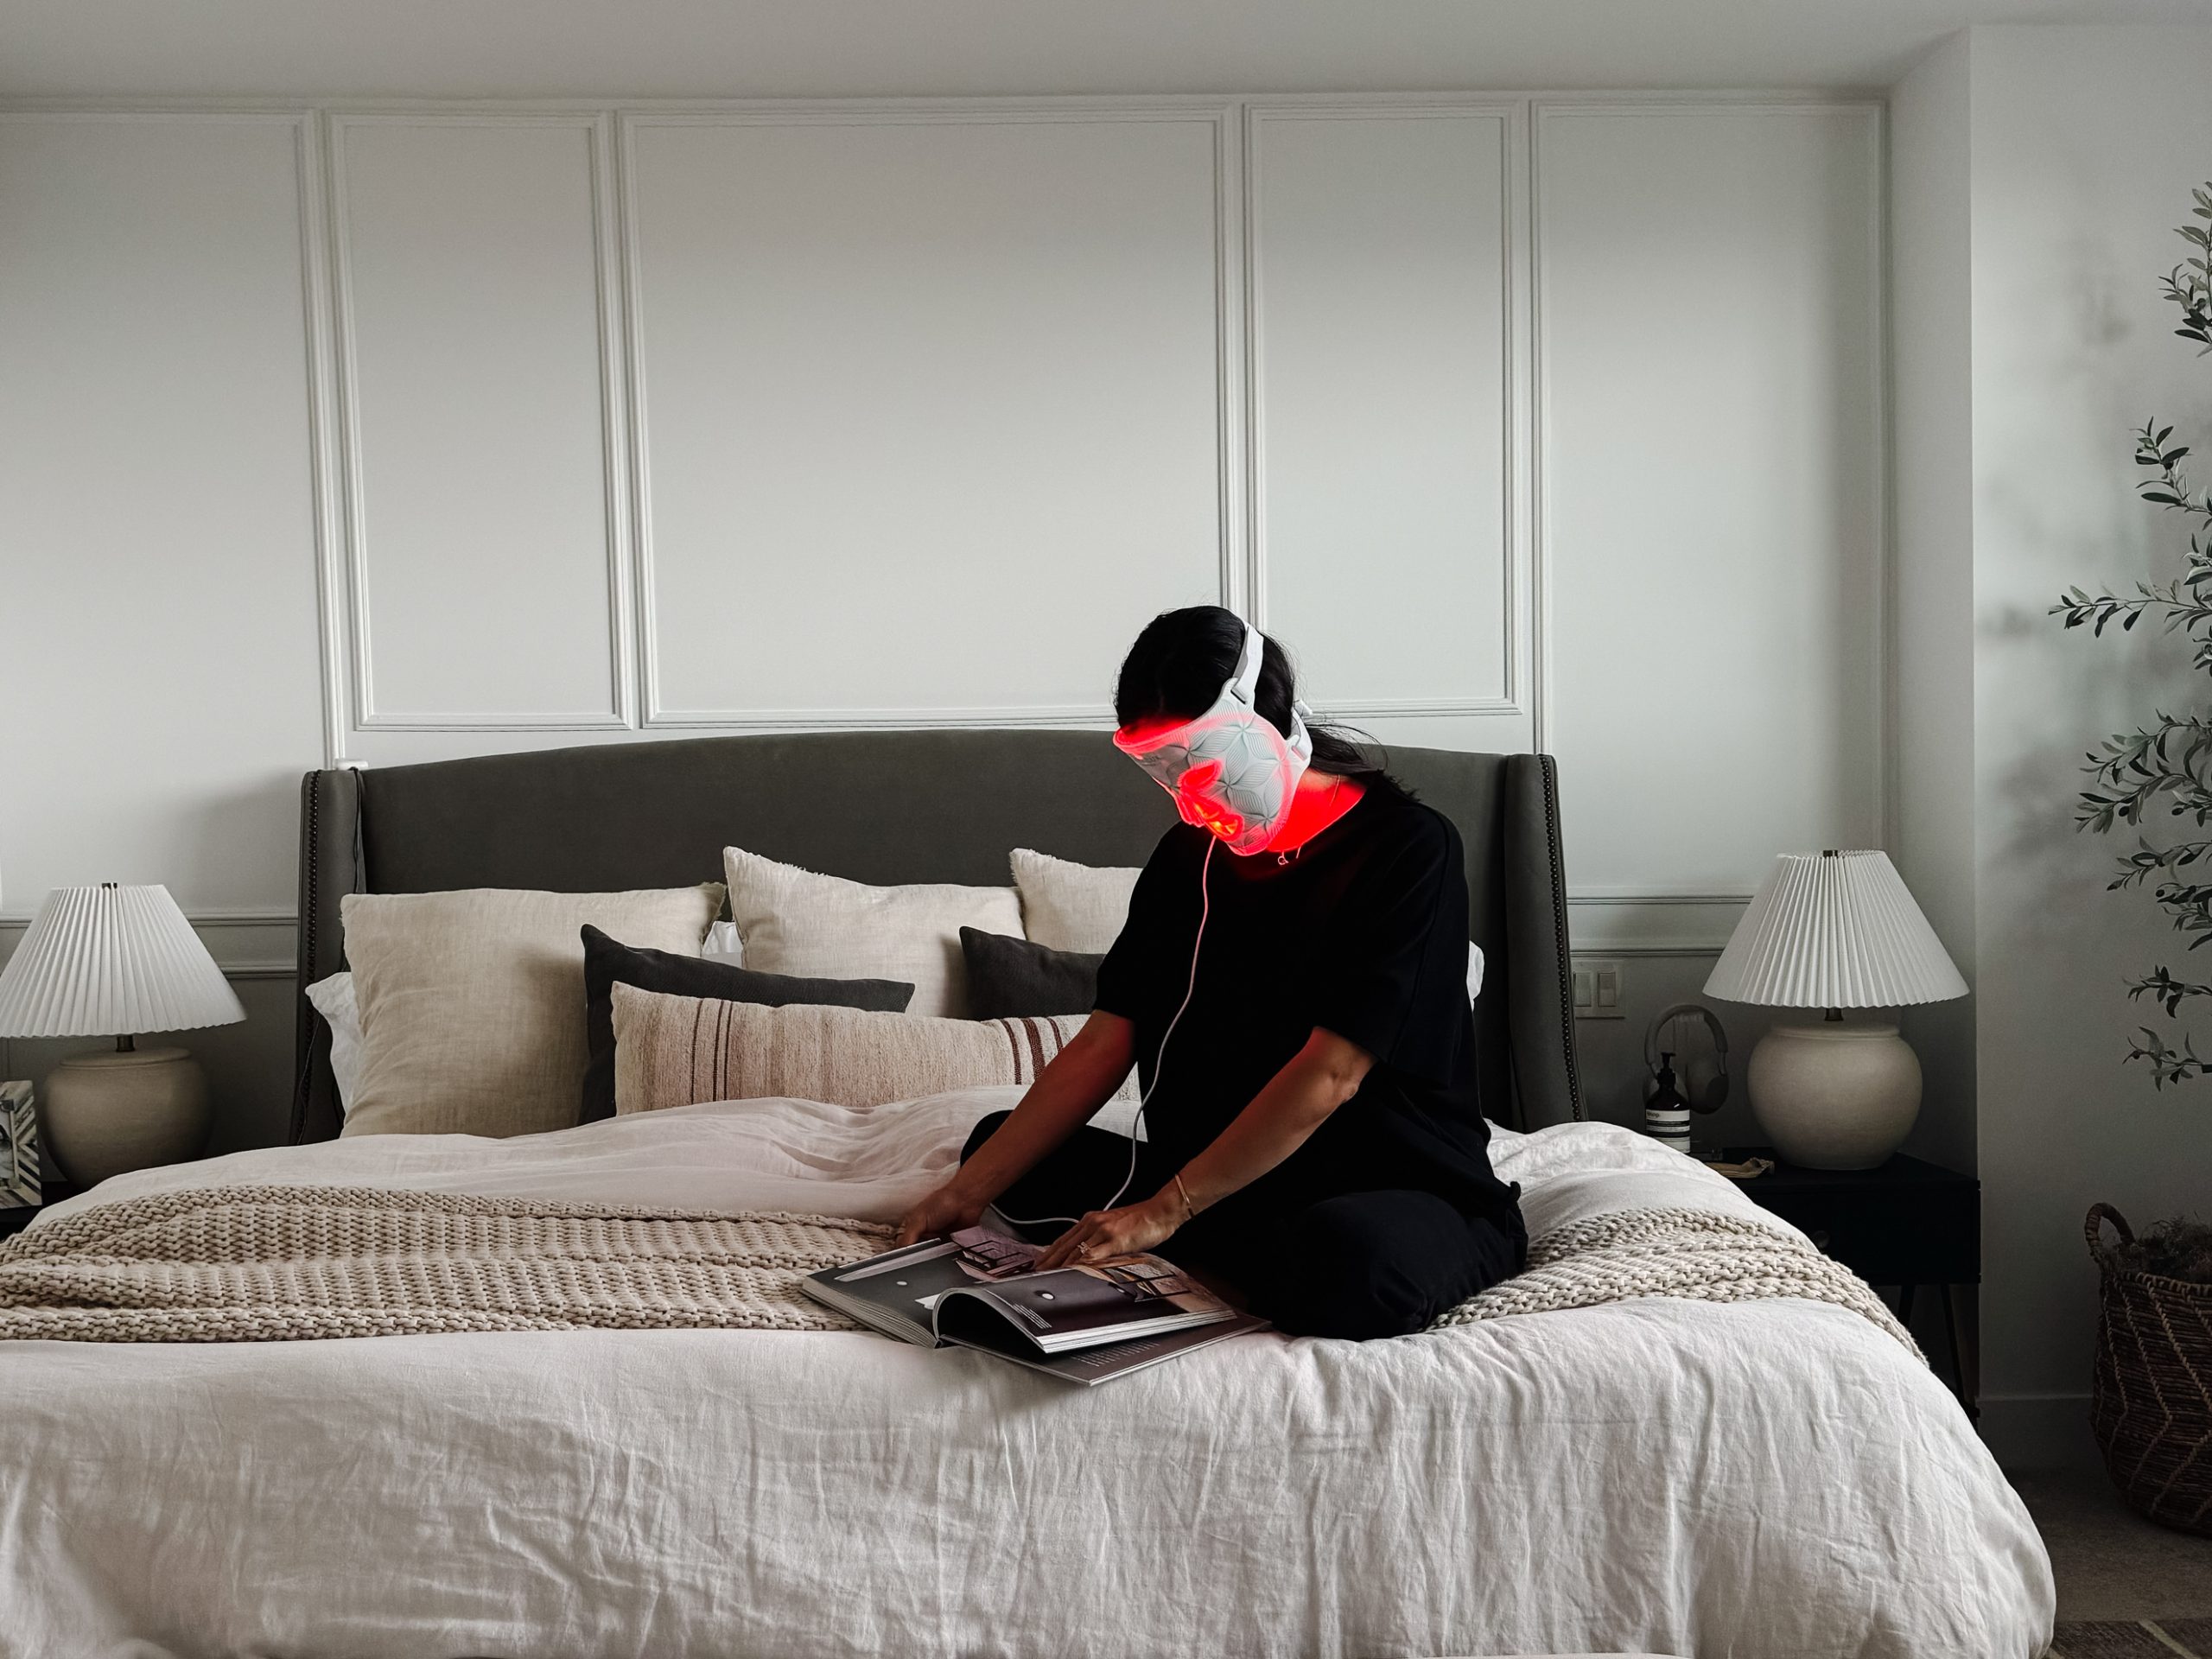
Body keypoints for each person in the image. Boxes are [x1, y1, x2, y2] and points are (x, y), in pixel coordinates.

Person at [895, 605, 1523, 1339]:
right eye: (1164, 771)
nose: (1188, 799)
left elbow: (1331, 1075)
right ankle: (1213, 1249)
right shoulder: (1184, 863)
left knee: (1353, 1259)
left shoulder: (1410, 850)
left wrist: (1162, 1212)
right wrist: (966, 1194)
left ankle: (1204, 1246)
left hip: (1383, 1184)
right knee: (997, 1145)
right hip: (1222, 1184)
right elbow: (1107, 1040)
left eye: (1201, 765)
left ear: (1269, 720)